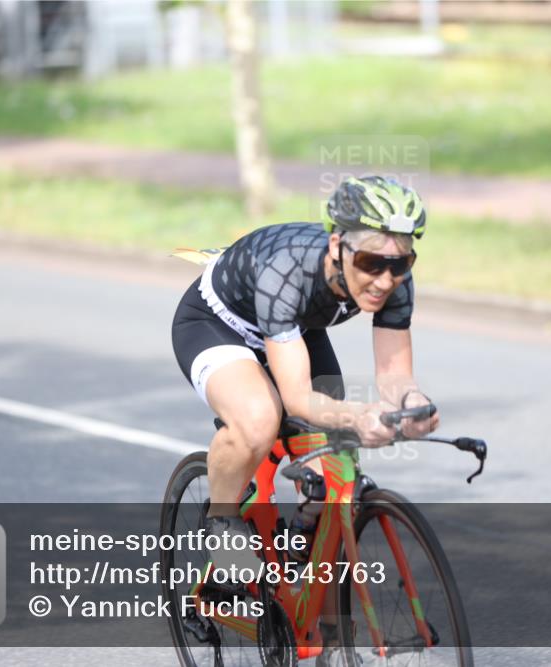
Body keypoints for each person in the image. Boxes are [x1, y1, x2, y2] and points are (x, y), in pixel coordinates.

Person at [170, 175, 439, 662]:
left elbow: (397, 378)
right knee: (259, 418)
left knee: (333, 471)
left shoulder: (392, 277)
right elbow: (297, 399)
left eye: (400, 264)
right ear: (338, 246)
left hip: (295, 326)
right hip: (219, 324)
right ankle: (224, 526)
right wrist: (358, 416)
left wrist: (414, 408)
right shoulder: (287, 267)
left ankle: (308, 579)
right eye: (371, 263)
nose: (385, 279)